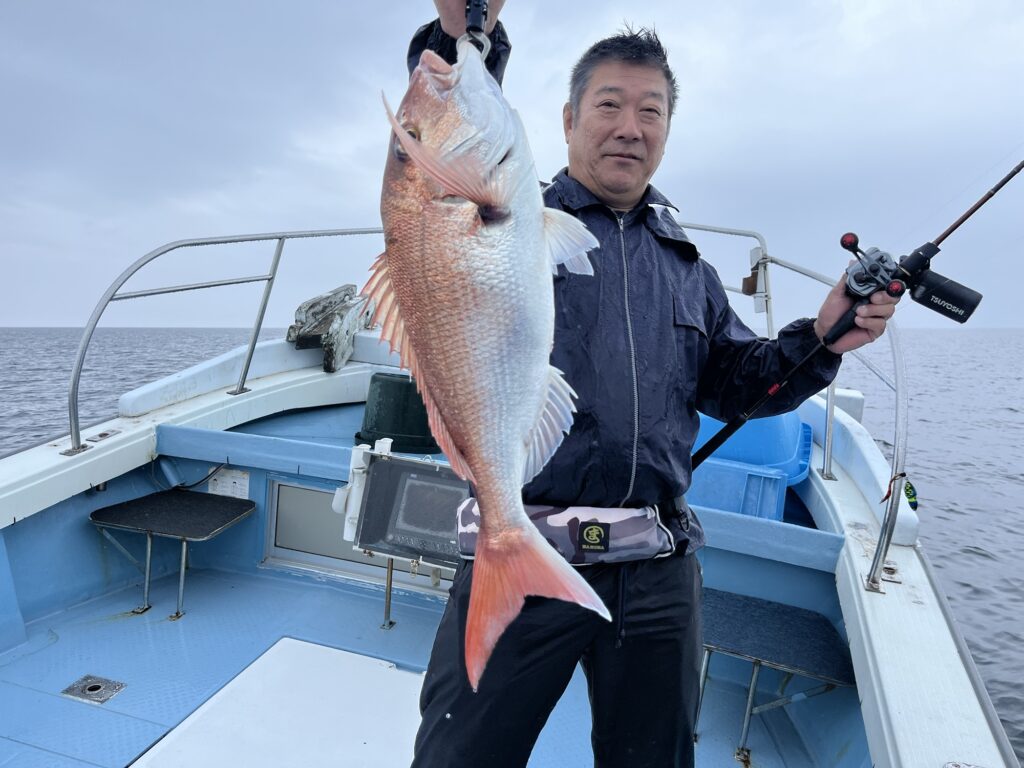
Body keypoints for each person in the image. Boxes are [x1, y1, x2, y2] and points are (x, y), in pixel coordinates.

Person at [408, 5, 900, 767]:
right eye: (608, 105)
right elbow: (440, 156)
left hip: (657, 569)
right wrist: (462, 38)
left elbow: (738, 387)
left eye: (651, 112)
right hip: (520, 546)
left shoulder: (687, 267)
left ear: (668, 130)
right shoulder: (507, 221)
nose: (629, 128)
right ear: (567, 120)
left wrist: (823, 335)